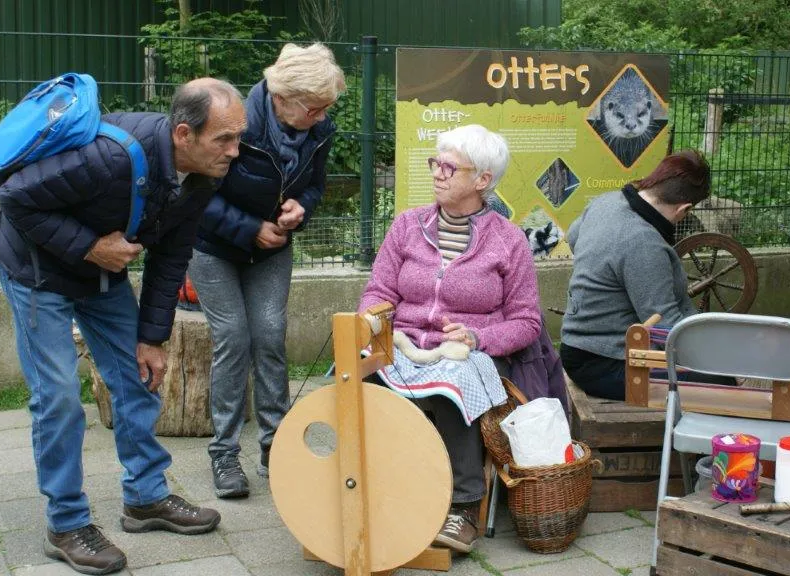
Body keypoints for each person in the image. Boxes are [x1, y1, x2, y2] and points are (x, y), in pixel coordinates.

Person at [0, 77, 247, 575]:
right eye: (225, 139)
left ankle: (145, 498)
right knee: (59, 396)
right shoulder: (109, 158)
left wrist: (152, 338)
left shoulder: (200, 176)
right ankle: (65, 523)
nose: (235, 151)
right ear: (183, 134)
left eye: (238, 137)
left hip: (100, 270)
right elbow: (15, 198)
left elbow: (171, 256)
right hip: (35, 269)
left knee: (139, 375)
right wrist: (88, 245)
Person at [358, 124, 541, 554]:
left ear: (482, 180)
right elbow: (379, 292)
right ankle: (371, 491)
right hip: (404, 343)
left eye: (449, 167)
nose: (437, 173)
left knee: (450, 387)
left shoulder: (508, 241)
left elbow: (527, 322)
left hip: (467, 354)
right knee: (361, 373)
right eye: (435, 163)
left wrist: (478, 336)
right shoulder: (407, 226)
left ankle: (462, 506)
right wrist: (371, 321)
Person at [188, 42, 345, 498]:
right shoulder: (235, 124)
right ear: (282, 98)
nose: (320, 116)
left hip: (273, 249)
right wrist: (250, 228)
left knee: (271, 337)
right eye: (314, 108)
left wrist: (302, 208)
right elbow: (196, 193)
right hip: (214, 246)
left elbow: (316, 185)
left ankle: (276, 449)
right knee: (234, 339)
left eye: (325, 108)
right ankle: (224, 456)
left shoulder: (318, 128)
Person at [560, 150, 735, 401]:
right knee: (721, 382)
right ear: (683, 208)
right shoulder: (643, 244)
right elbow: (664, 326)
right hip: (605, 362)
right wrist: (714, 356)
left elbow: (574, 237)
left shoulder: (606, 202)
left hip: (577, 348)